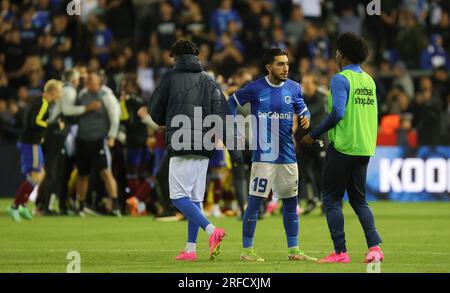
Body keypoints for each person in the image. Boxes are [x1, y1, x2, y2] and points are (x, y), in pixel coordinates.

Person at [149, 40, 242, 261]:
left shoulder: (170, 79)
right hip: (204, 145)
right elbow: (224, 117)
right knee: (194, 197)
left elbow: (155, 112)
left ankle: (212, 231)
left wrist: (170, 118)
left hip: (181, 144)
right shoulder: (210, 80)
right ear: (197, 56)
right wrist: (235, 151)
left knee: (178, 197)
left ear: (174, 57)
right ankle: (190, 249)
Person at [301, 32, 383, 264]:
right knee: (359, 200)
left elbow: (337, 112)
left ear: (343, 54)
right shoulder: (369, 80)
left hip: (344, 146)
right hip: (364, 147)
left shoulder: (340, 79)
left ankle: (340, 253)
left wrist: (313, 134)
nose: (335, 55)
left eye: (337, 51)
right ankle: (374, 248)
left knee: (331, 198)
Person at [228, 48, 316, 262]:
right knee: (255, 202)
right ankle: (247, 251)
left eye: (287, 63)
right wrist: (233, 127)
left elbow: (303, 110)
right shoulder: (256, 88)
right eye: (280, 64)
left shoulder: (294, 88)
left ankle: (294, 250)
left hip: (288, 156)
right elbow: (231, 102)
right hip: (263, 157)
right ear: (269, 67)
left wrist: (305, 117)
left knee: (290, 202)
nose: (285, 68)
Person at [7, 79, 63, 221]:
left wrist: (41, 135)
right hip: (30, 143)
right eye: (60, 92)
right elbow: (35, 121)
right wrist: (53, 125)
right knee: (34, 176)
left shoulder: (40, 101)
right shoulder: (42, 103)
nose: (60, 95)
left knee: (40, 174)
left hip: (34, 142)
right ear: (54, 92)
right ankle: (15, 206)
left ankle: (23, 205)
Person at [75, 71, 121, 217]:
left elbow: (115, 116)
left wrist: (112, 136)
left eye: (93, 82)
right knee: (82, 174)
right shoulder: (82, 95)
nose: (90, 84)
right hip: (83, 139)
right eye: (88, 82)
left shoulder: (106, 95)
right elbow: (75, 112)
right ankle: (80, 205)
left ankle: (115, 204)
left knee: (106, 172)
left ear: (99, 82)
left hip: (99, 140)